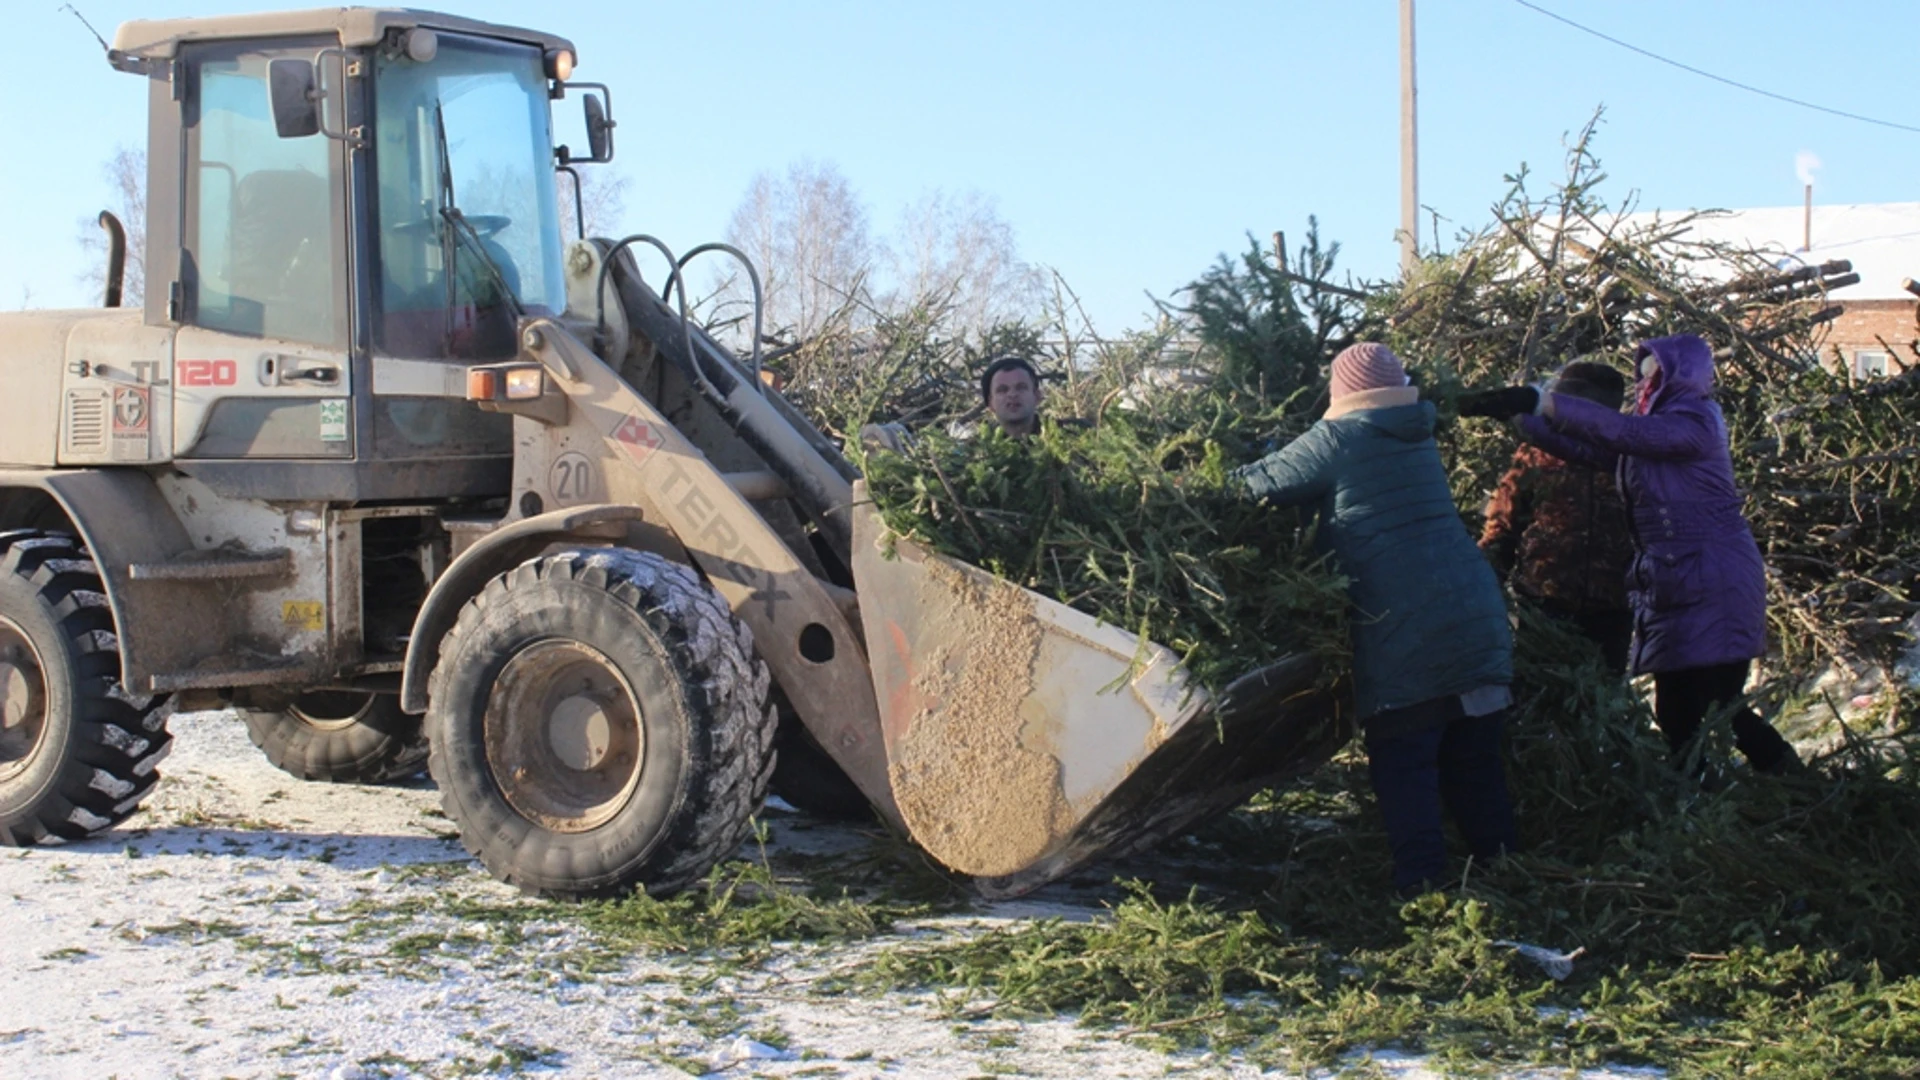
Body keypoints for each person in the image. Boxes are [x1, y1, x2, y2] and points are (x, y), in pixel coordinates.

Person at [1235, 342, 1518, 895]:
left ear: (1343, 393)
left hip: (1407, 628)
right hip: (1475, 615)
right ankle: (1505, 873)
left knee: (1405, 763)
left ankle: (1423, 892)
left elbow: (1255, 486)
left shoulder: (1343, 435)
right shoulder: (1416, 434)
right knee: (1475, 765)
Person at [1458, 334, 1801, 774]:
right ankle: (1690, 804)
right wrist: (1526, 422)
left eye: (1652, 371)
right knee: (1676, 710)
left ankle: (1787, 784)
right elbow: (1588, 451)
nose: (1645, 381)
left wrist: (1540, 402)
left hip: (1712, 579)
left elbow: (1619, 432)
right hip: (1673, 583)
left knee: (1719, 703)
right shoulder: (1649, 437)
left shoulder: (1692, 423)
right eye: (1642, 372)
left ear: (1679, 375)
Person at [1478, 361, 1637, 674]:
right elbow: (1503, 524)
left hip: (1613, 606)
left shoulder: (1630, 455)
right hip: (1545, 601)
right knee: (1536, 697)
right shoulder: (1536, 451)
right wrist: (1485, 584)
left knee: (1601, 705)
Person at [980, 356, 1042, 438]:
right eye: (1002, 390)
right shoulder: (975, 449)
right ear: (990, 402)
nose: (1012, 394)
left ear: (1037, 396)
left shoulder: (1063, 437)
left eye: (1021, 387)